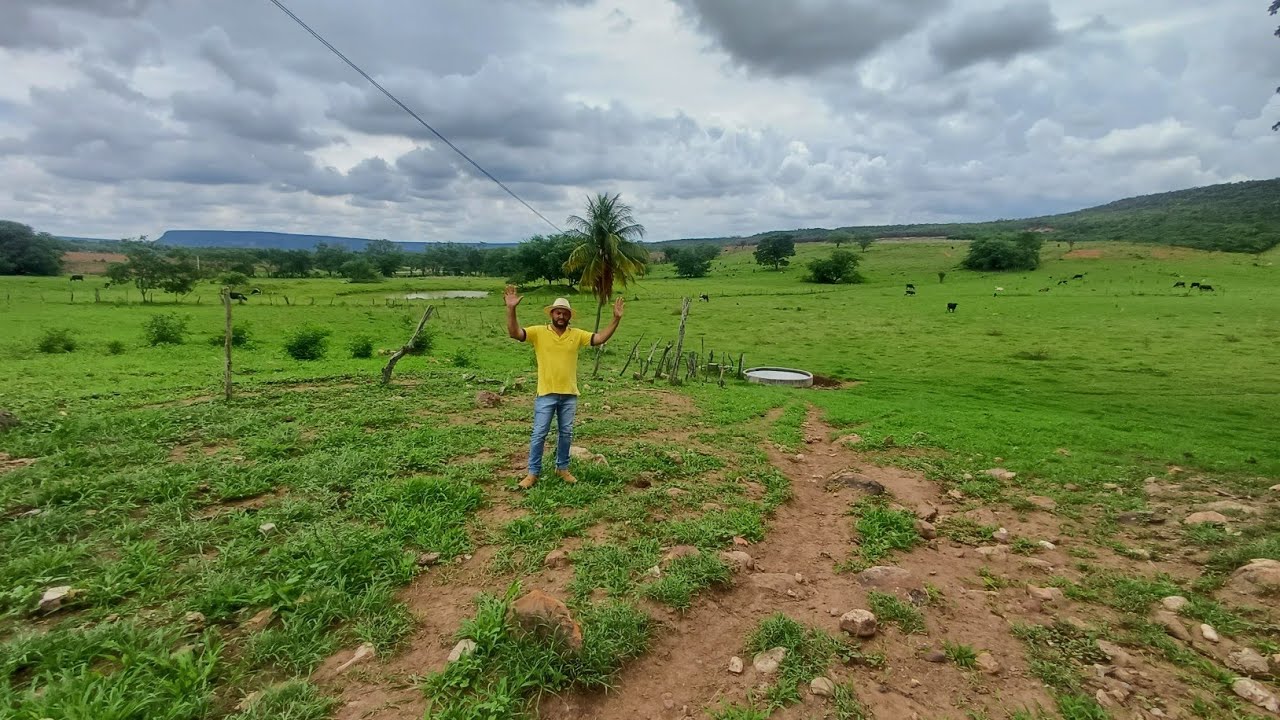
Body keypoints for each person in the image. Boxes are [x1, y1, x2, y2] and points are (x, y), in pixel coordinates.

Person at [505, 285, 623, 489]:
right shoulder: (538, 332)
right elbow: (515, 333)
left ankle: (562, 468)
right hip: (546, 393)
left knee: (566, 433)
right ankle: (533, 473)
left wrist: (616, 319)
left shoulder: (576, 335)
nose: (561, 316)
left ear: (569, 316)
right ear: (552, 314)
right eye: (558, 312)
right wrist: (511, 309)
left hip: (569, 394)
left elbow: (599, 338)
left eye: (565, 313)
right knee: (539, 433)